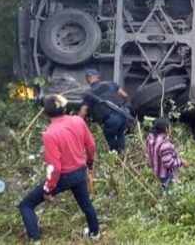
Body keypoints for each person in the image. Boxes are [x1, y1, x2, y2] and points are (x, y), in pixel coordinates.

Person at [19, 94, 99, 242]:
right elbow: (91, 145)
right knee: (86, 203)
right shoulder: (78, 121)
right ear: (65, 108)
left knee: (26, 205)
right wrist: (90, 164)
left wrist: (48, 190)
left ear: (46, 112)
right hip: (80, 172)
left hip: (63, 177)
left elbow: (54, 167)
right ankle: (94, 233)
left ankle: (35, 239)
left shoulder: (50, 134)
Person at [79, 69, 130, 153]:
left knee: (110, 138)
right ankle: (122, 152)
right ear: (98, 77)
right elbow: (125, 95)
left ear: (87, 79)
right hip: (123, 114)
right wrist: (122, 104)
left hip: (110, 120)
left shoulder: (88, 94)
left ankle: (115, 154)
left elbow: (83, 113)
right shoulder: (110, 84)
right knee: (120, 134)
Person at [145, 117, 187, 194]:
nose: (171, 128)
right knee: (169, 193)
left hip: (156, 171)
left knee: (162, 189)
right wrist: (181, 161)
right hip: (166, 174)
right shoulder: (164, 144)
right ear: (166, 129)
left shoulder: (150, 138)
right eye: (169, 126)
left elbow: (148, 153)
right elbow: (169, 163)